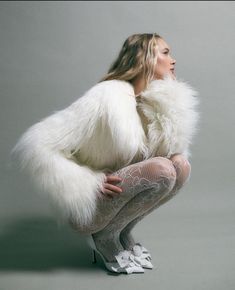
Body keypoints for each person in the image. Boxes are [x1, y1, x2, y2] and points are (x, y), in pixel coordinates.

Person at [10, 33, 200, 274]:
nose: (173, 60)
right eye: (165, 53)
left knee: (180, 166)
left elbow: (171, 152)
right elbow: (35, 144)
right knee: (161, 169)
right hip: (90, 208)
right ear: (144, 58)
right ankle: (104, 238)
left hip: (116, 203)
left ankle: (123, 232)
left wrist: (170, 108)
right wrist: (88, 182)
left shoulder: (153, 99)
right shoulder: (107, 96)